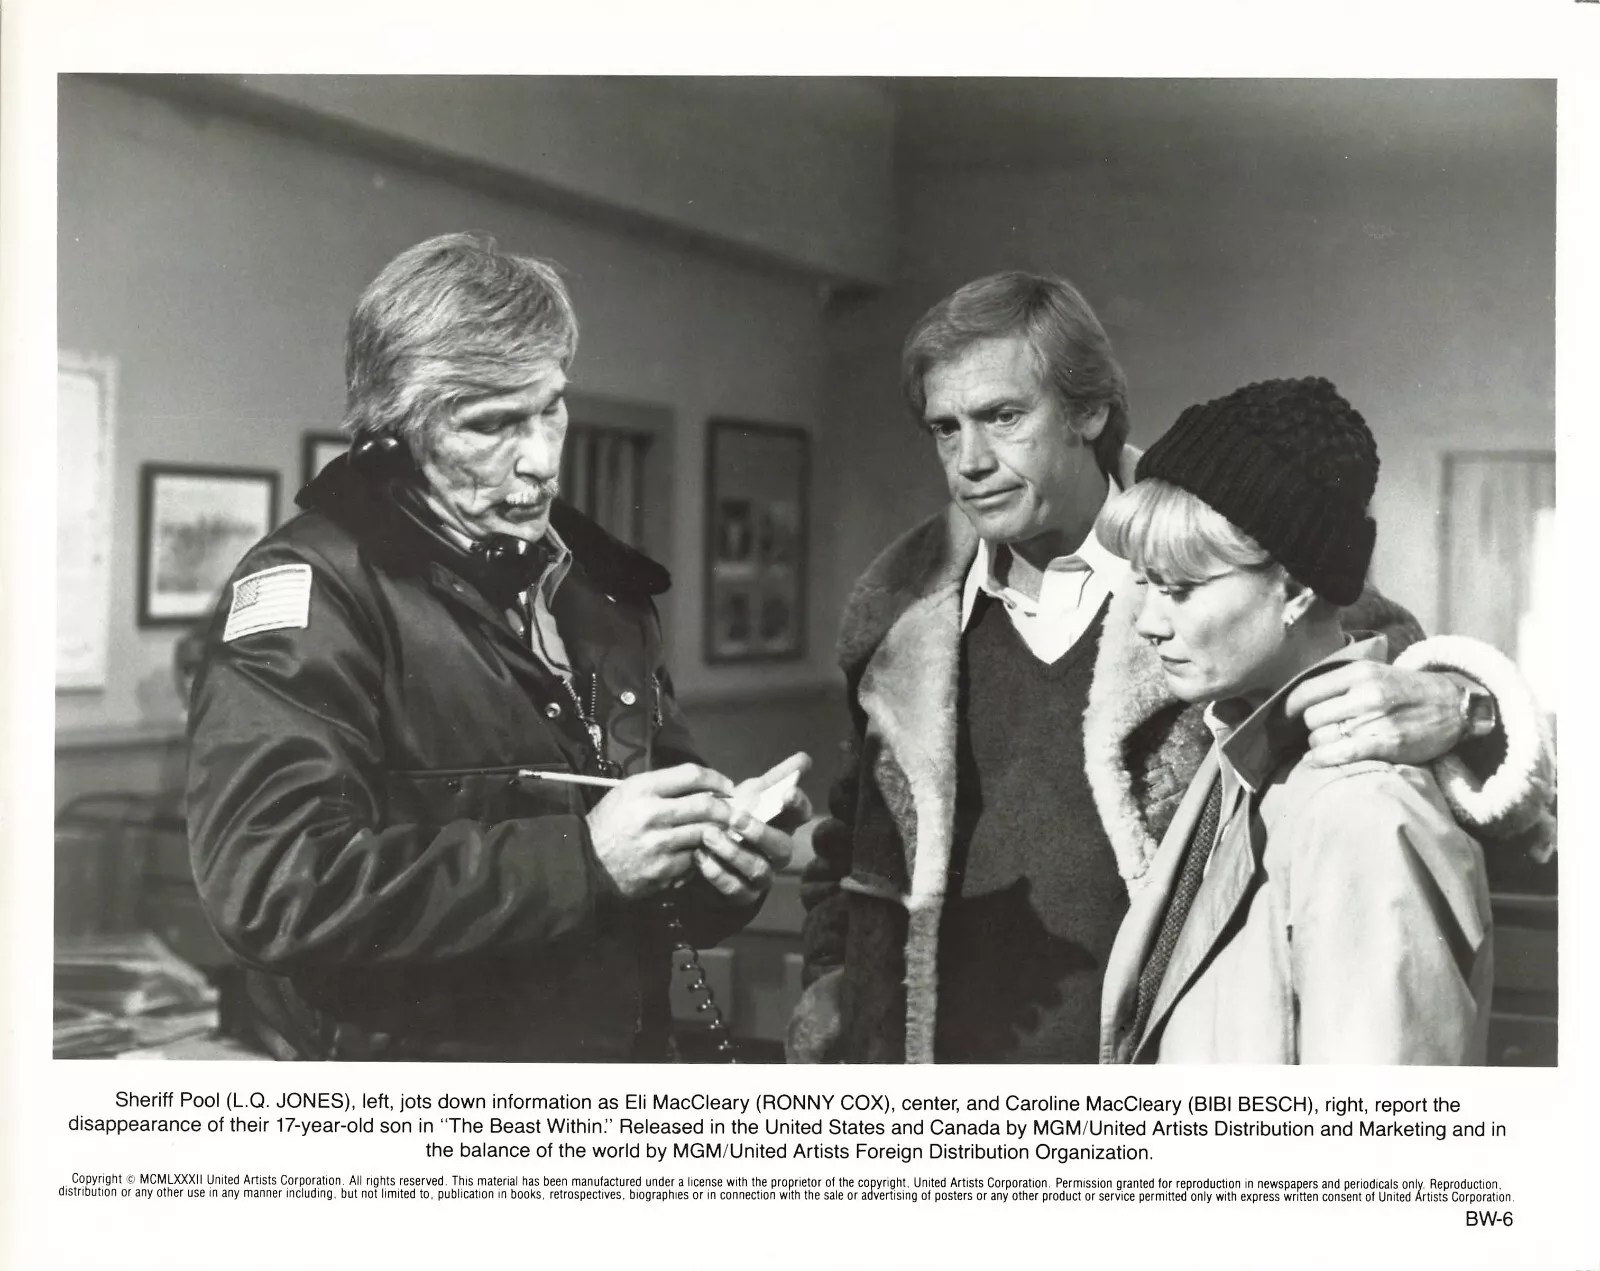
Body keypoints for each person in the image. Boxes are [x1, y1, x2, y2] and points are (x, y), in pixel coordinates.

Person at [788, 271, 1552, 1065]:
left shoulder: (1221, 530)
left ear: (1089, 410)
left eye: (1004, 416)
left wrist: (1464, 702)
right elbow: (854, 839)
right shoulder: (898, 599)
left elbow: (1374, 677)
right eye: (945, 429)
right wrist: (834, 994)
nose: (969, 461)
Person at [186, 232, 805, 1061]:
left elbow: (638, 869)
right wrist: (585, 860)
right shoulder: (316, 590)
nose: (543, 461)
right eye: (492, 425)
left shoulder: (598, 588)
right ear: (394, 439)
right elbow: (273, 887)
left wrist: (716, 863)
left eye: (550, 408)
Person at [1097, 378, 1502, 1063]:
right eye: (1144, 583)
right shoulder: (1245, 750)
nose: (1148, 622)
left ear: (1295, 588)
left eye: (1180, 589)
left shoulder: (1364, 814)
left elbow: (1376, 1124)